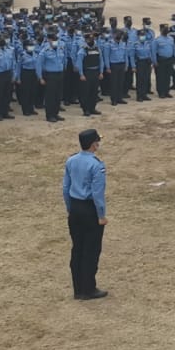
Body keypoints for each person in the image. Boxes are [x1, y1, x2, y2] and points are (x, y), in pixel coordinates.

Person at [62, 128, 108, 300]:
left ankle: (78, 288)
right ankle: (88, 288)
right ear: (93, 144)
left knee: (77, 248)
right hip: (89, 210)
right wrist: (101, 215)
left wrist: (70, 208)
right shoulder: (96, 165)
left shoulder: (71, 160)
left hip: (75, 207)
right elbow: (97, 194)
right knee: (91, 249)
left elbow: (66, 188)